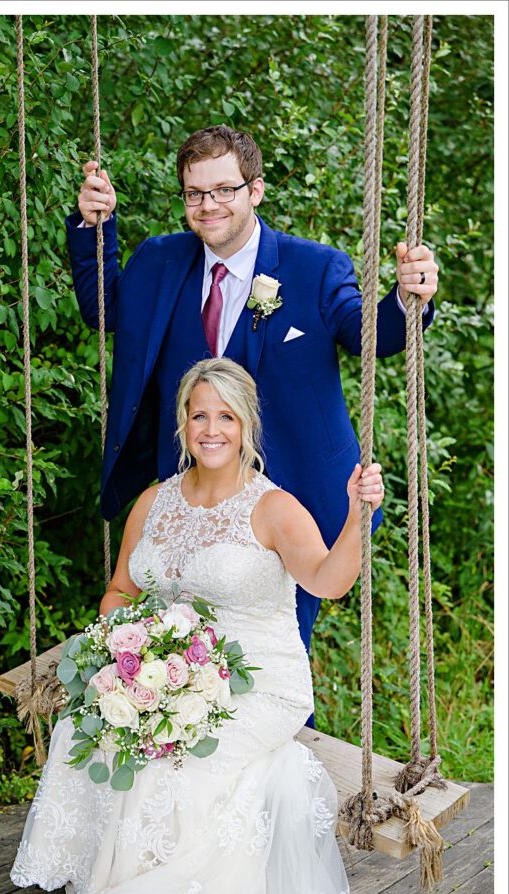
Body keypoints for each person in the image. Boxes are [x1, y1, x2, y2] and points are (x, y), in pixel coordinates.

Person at [0, 358, 385, 894]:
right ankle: (110, 883)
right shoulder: (154, 503)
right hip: (161, 672)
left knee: (174, 765)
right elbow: (120, 591)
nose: (212, 429)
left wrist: (359, 517)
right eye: (199, 414)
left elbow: (329, 582)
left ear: (246, 425)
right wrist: (130, 652)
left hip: (258, 680)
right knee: (90, 733)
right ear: (182, 424)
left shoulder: (274, 509)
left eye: (226, 417)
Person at [66, 124, 439, 680]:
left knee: (275, 655)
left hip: (300, 497)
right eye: (195, 193)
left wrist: (409, 298)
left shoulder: (314, 268)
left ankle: (282, 750)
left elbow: (372, 336)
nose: (209, 205)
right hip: (195, 496)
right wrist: (95, 228)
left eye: (224, 190)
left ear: (255, 191)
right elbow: (105, 310)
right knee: (180, 657)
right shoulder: (160, 261)